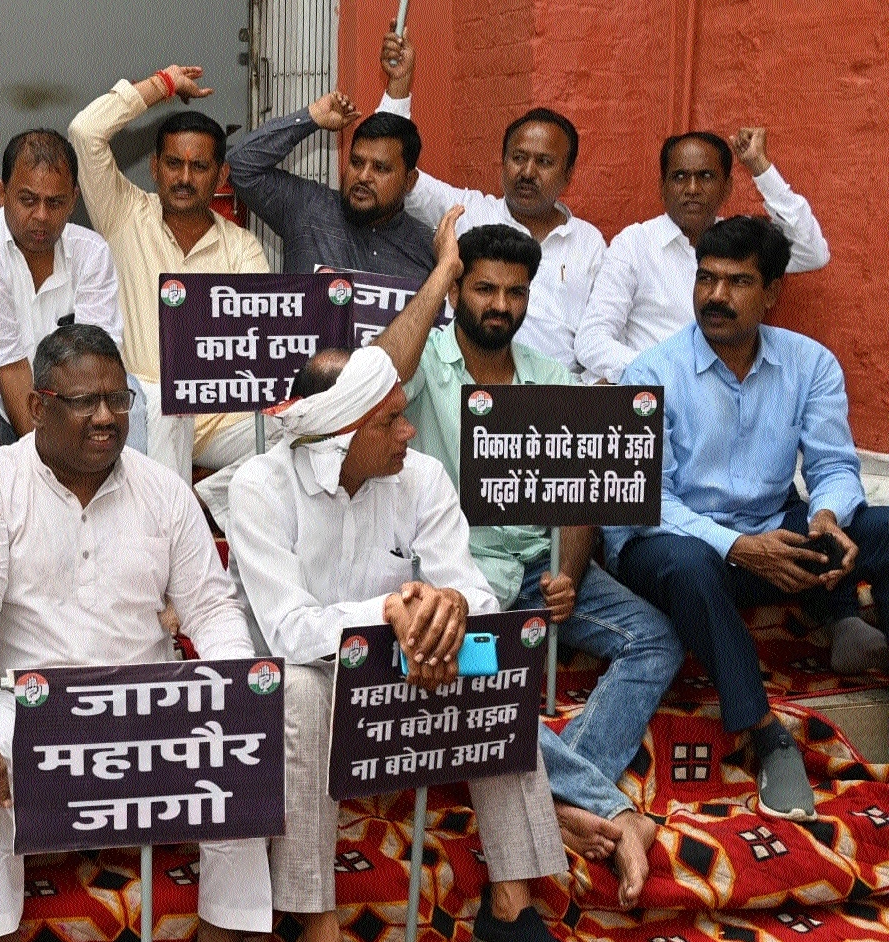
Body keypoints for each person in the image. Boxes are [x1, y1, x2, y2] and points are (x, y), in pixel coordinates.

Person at [227, 345, 605, 942]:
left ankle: (511, 909)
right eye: (390, 420)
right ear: (336, 436)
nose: (409, 431)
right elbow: (290, 630)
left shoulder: (422, 475)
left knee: (494, 660)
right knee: (303, 687)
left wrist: (449, 610)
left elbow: (477, 598)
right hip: (299, 683)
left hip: (405, 676)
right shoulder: (260, 487)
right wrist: (392, 612)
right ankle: (319, 935)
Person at [0, 324, 274, 942]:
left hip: (144, 698)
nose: (105, 418)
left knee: (243, 732)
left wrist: (238, 689)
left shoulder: (162, 489)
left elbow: (209, 607)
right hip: (29, 700)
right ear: (37, 407)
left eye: (117, 401)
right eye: (85, 402)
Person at [377, 214, 684, 903]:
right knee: (458, 674)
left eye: (515, 293)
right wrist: (439, 273)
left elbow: (579, 496)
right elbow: (375, 376)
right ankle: (603, 805)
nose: (500, 306)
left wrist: (570, 575)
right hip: (456, 571)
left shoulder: (551, 378)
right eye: (483, 289)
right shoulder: (425, 363)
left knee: (656, 639)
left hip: (542, 563)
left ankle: (554, 784)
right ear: (459, 291)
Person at [606, 215, 889, 820]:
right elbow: (646, 500)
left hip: (772, 531)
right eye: (706, 279)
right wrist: (737, 545)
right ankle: (766, 733)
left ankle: (857, 637)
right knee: (688, 566)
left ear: (772, 292)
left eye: (736, 282)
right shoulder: (651, 373)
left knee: (882, 529)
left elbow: (834, 465)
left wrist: (828, 517)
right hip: (672, 542)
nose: (715, 296)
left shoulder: (809, 364)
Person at [69, 65, 270, 483]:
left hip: (221, 417)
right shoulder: (124, 214)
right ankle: (178, 522)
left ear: (221, 175)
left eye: (198, 167)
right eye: (174, 164)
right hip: (144, 407)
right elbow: (85, 132)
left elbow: (257, 342)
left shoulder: (243, 248)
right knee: (165, 405)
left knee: (299, 440)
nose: (183, 178)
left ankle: (211, 500)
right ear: (155, 167)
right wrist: (161, 86)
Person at [375, 33, 605, 375]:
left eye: (544, 162)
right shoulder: (468, 214)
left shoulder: (589, 242)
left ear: (569, 174)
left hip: (554, 398)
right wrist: (399, 86)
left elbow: (596, 337)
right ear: (502, 161)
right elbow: (393, 169)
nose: (527, 172)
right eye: (518, 158)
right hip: (462, 391)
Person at [0, 128, 146, 493]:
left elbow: (97, 365)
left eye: (56, 202)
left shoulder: (91, 252)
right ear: (1, 194)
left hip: (66, 414)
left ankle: (129, 511)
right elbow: (12, 375)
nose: (42, 216)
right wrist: (57, 485)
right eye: (28, 200)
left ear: (74, 200)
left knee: (127, 391)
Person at [575, 129, 829, 384]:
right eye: (680, 177)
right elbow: (592, 340)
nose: (692, 188)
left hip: (725, 397)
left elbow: (813, 253)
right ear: (662, 188)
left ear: (727, 188)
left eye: (705, 176)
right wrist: (663, 374)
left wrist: (759, 168)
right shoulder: (635, 244)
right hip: (654, 398)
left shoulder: (743, 244)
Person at [226, 90, 435, 281]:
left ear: (409, 181)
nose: (363, 176)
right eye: (356, 163)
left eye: (380, 168)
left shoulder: (430, 250)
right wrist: (311, 117)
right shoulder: (309, 207)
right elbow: (239, 166)